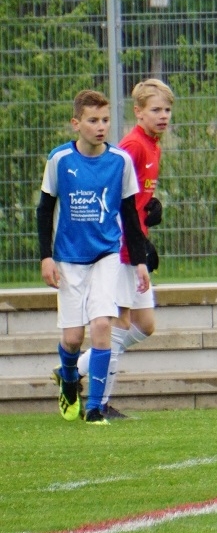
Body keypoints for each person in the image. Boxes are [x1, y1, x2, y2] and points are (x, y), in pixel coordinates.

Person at [38, 89, 150, 425]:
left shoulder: (119, 161)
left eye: (105, 120)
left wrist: (140, 260)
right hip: (69, 258)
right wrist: (46, 257)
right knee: (73, 338)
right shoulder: (60, 160)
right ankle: (69, 377)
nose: (100, 126)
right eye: (92, 120)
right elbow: (44, 210)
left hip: (106, 255)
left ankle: (95, 408)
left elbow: (129, 214)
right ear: (76, 124)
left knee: (102, 324)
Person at [78, 79, 173, 420]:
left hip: (134, 241)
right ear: (138, 112)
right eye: (156, 110)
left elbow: (136, 199)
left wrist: (150, 210)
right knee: (120, 323)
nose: (163, 116)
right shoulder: (133, 145)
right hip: (120, 246)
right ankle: (99, 402)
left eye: (167, 110)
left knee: (144, 324)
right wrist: (136, 243)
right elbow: (115, 196)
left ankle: (75, 369)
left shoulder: (153, 144)